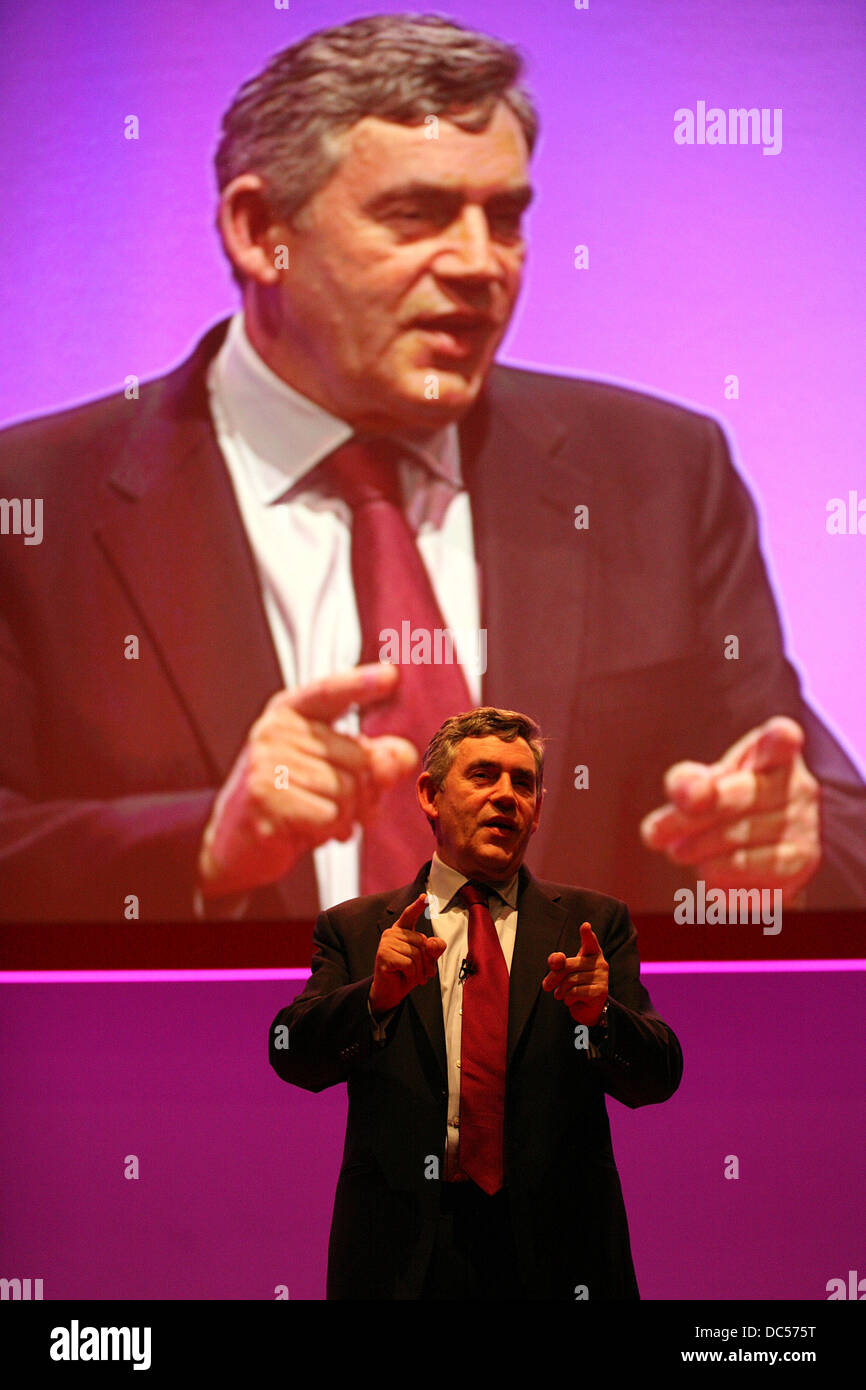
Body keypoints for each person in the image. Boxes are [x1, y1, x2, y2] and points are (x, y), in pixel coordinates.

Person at [1, 13, 864, 924]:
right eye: (415, 216)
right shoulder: (34, 504)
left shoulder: (654, 476)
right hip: (207, 1061)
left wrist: (791, 848)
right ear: (259, 232)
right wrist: (205, 844)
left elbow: (821, 808)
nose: (479, 264)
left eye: (504, 217)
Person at [269, 706, 683, 1299]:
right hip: (404, 1260)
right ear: (431, 795)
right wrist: (376, 998)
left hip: (559, 1257)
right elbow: (291, 1052)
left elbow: (658, 1076)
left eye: (524, 782)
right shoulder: (358, 930)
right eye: (484, 776)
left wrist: (601, 1020)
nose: (507, 797)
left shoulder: (592, 925)